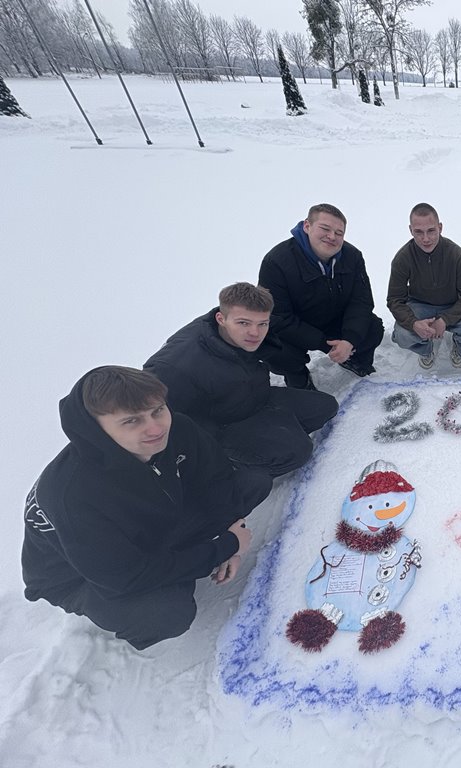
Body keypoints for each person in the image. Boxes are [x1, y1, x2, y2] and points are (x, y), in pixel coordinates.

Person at [22, 367, 272, 650]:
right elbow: (124, 577)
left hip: (149, 528)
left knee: (251, 483)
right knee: (167, 614)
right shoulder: (73, 495)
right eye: (131, 420)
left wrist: (229, 531)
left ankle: (175, 563)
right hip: (82, 575)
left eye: (157, 410)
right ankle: (145, 598)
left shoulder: (176, 429)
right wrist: (222, 547)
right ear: (96, 428)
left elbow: (215, 478)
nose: (155, 428)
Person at [144, 283, 338, 477]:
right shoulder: (177, 365)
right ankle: (234, 469)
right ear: (221, 319)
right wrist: (206, 449)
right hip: (223, 426)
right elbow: (154, 418)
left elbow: (290, 328)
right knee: (297, 451)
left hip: (253, 398)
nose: (255, 333)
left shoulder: (246, 326)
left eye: (262, 324)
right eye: (244, 323)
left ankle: (274, 436)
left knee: (325, 407)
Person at [259, 203, 385, 386]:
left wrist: (349, 340)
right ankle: (299, 378)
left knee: (372, 327)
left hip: (334, 319)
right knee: (276, 348)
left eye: (339, 233)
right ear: (307, 226)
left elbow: (361, 302)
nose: (332, 236)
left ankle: (353, 359)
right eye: (325, 228)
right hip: (296, 327)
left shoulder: (352, 256)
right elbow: (278, 317)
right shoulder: (276, 261)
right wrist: (324, 344)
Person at [386, 203, 461, 369]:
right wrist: (413, 323)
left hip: (451, 305)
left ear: (440, 227)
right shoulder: (403, 258)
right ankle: (426, 350)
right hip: (419, 306)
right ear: (411, 230)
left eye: (431, 230)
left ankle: (459, 349)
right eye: (419, 232)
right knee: (402, 335)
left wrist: (445, 320)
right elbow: (395, 300)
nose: (426, 238)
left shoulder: (456, 254)